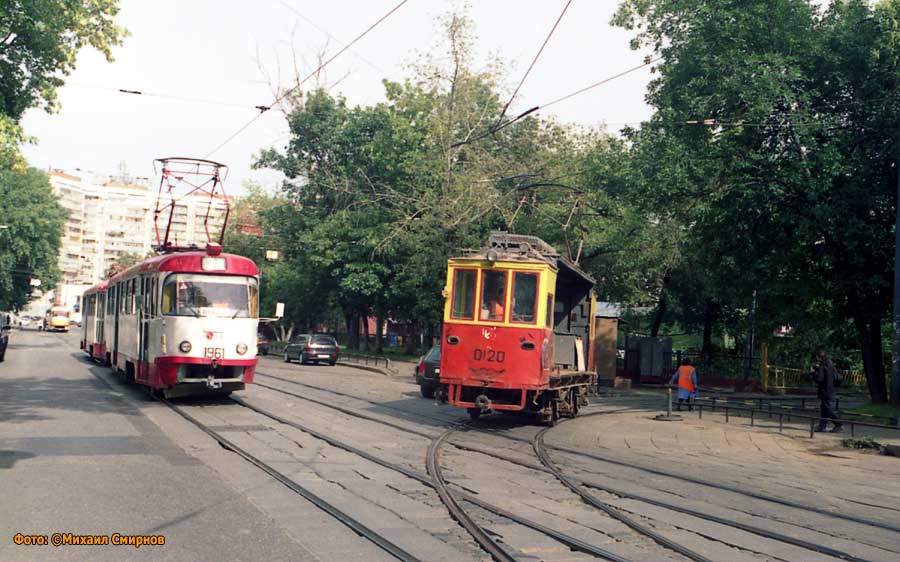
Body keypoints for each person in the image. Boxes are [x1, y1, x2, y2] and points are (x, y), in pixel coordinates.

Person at [810, 349, 842, 432]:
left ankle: (838, 424)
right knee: (823, 408)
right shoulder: (830, 364)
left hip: (824, 390)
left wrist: (813, 373)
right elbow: (834, 377)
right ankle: (822, 426)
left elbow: (819, 379)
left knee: (827, 409)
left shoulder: (823, 365)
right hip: (830, 389)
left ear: (818, 357)